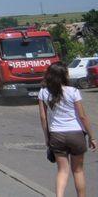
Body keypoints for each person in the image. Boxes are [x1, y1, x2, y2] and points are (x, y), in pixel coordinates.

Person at [38, 62, 96, 197]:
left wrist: (47, 137)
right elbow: (82, 116)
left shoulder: (43, 92)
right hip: (76, 134)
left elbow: (43, 117)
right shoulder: (73, 91)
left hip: (56, 135)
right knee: (78, 171)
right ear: (65, 75)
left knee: (62, 171)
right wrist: (91, 137)